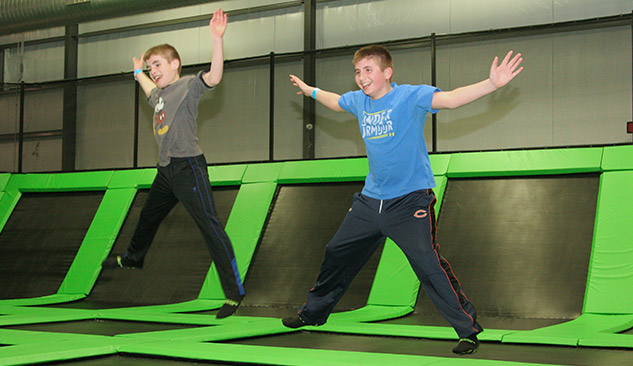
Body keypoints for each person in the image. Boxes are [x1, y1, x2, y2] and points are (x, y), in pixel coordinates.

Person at [282, 45, 523, 355]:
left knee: (427, 262)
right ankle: (313, 313)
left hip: (410, 201)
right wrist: (310, 90)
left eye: (368, 70)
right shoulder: (360, 102)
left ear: (387, 72)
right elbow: (336, 103)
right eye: (357, 72)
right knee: (336, 252)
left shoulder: (409, 97)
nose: (361, 78)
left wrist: (491, 84)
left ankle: (467, 329)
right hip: (370, 202)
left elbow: (449, 99)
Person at [102, 9, 244, 319]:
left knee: (209, 225)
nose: (154, 71)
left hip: (188, 167)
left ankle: (233, 293)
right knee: (148, 216)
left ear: (175, 64)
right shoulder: (161, 95)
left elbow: (215, 77)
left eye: (158, 65)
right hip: (166, 170)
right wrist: (138, 72)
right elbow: (150, 92)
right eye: (151, 66)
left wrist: (216, 40)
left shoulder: (189, 86)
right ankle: (133, 257)